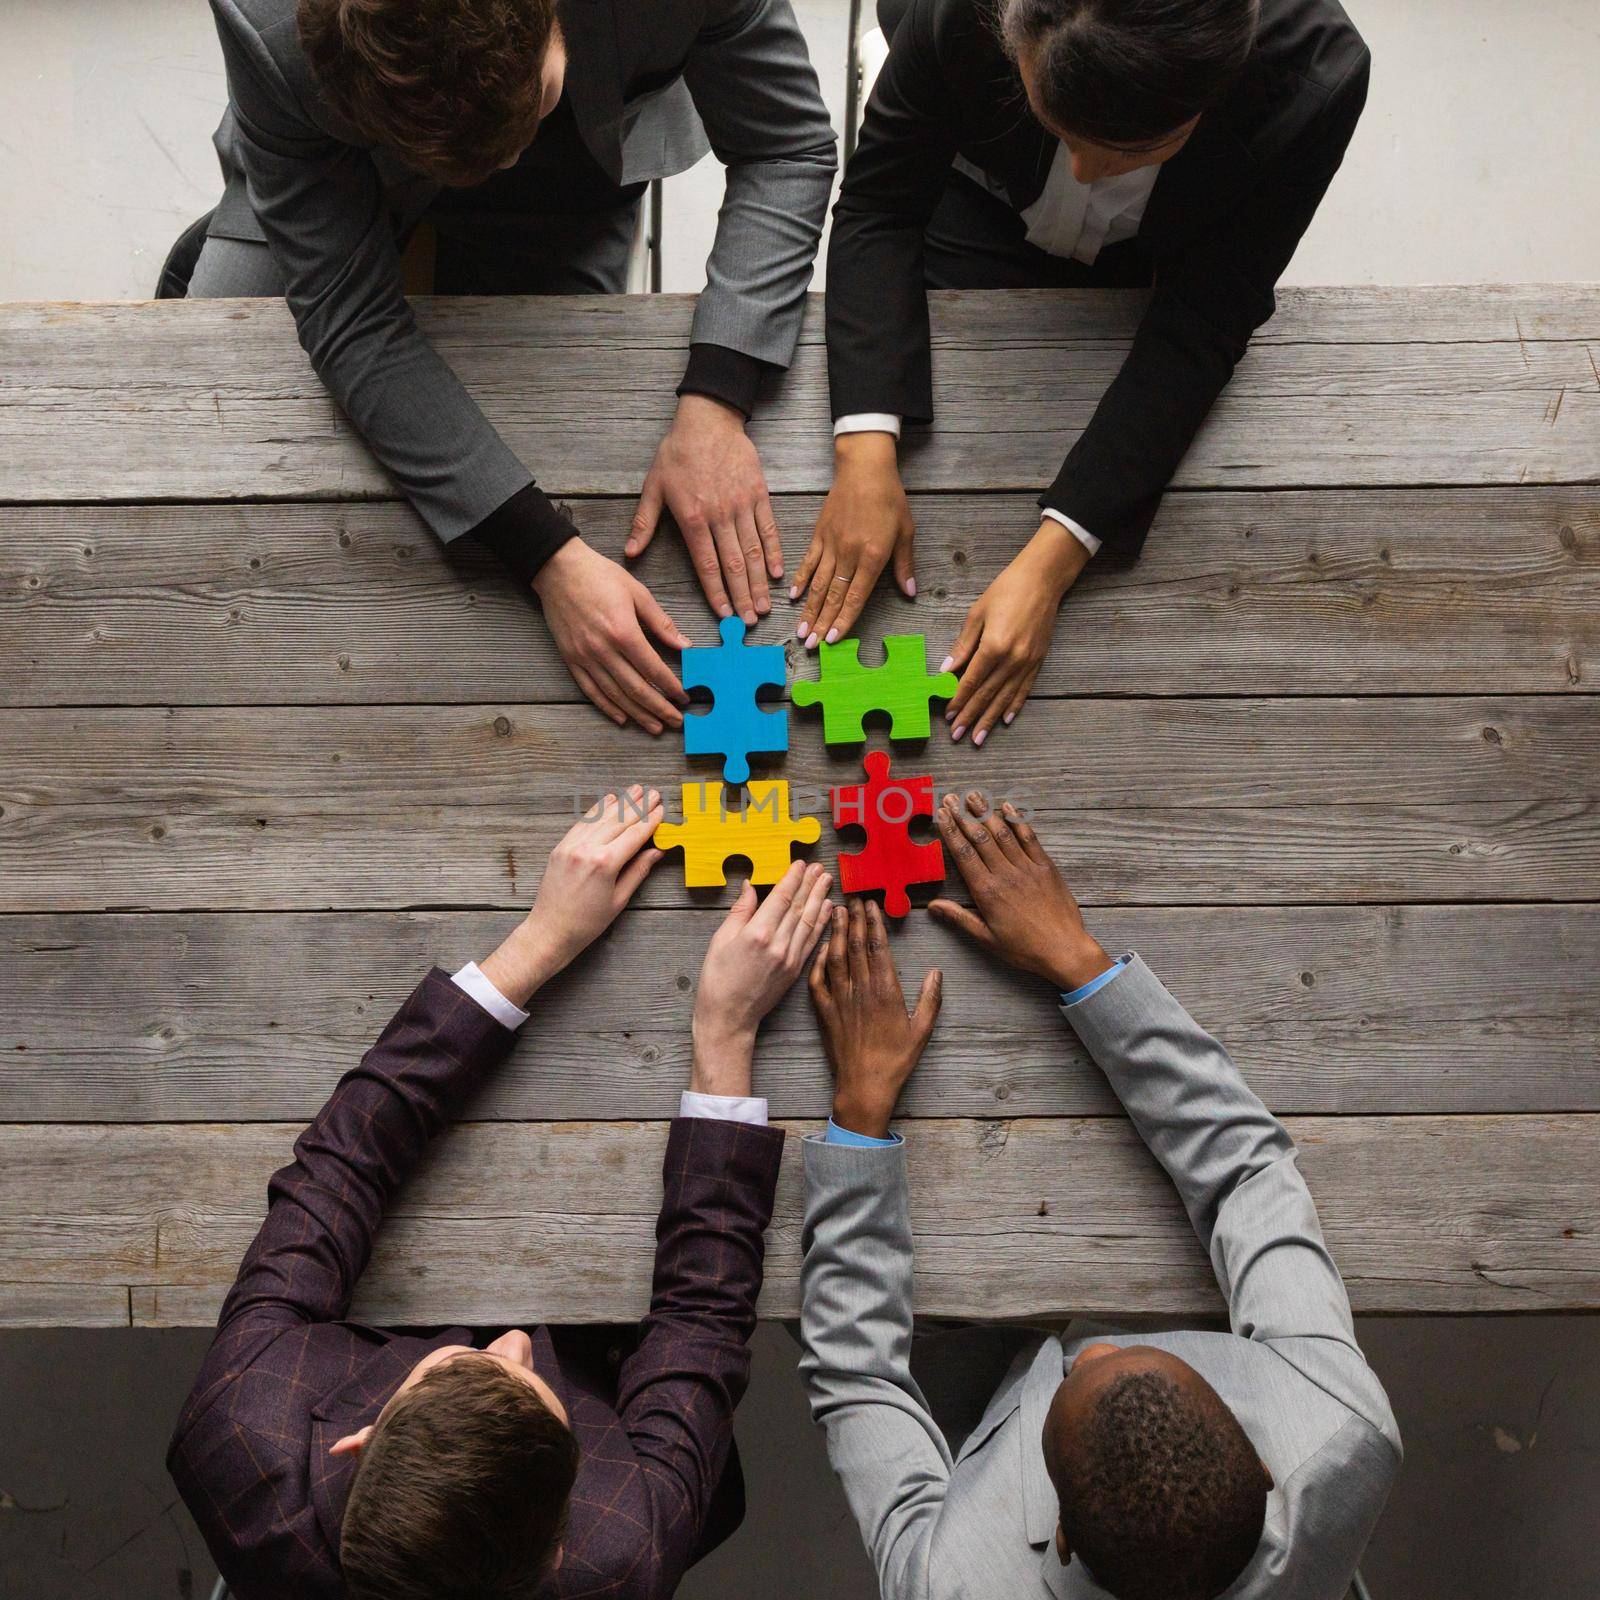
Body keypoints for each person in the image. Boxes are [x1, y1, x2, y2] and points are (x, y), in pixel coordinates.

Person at [167, 789, 834, 1600]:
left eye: (470, 1366)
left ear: (360, 1438)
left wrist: (540, 940)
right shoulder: (622, 1551)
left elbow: (339, 1173)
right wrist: (725, 1033)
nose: (517, 1339)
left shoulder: (240, 1421)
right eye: (530, 1383)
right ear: (561, 1547)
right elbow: (700, 1325)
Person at [165, 0, 837, 734]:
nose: (502, 165)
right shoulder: (266, 27)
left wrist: (717, 398)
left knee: (566, 451)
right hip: (341, 170)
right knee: (208, 393)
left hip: (577, 181)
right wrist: (546, 558)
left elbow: (787, 149)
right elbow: (349, 317)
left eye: (530, 100)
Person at [798, 798, 1401, 1599]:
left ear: (1065, 1542)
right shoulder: (1337, 1436)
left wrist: (861, 1123)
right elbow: (1248, 1174)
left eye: (1078, 1374)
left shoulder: (957, 1583)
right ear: (1266, 1465)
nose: (1096, 1346)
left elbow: (856, 1374)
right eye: (1140, 1354)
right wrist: (1083, 965)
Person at [795, 0, 1370, 746]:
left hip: (1149, 270)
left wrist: (1053, 561)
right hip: (972, 203)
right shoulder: (957, 11)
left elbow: (1207, 317)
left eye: (1133, 148)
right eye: (1056, 124)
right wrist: (864, 446)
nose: (1084, 171)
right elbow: (879, 204)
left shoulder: (1318, 77)